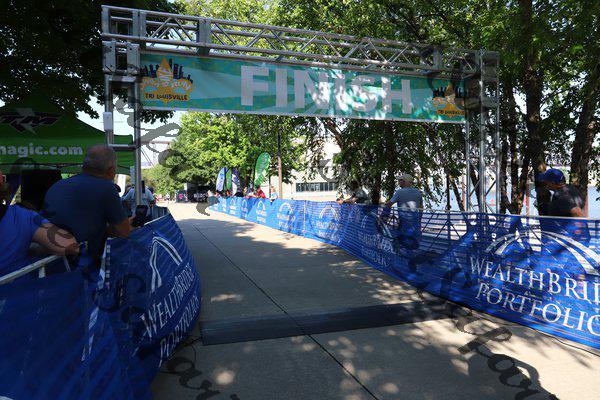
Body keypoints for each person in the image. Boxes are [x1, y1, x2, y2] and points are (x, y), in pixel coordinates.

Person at [42, 145, 134, 265]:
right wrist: (122, 226)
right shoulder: (106, 188)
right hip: (78, 265)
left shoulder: (58, 185)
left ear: (84, 166)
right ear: (111, 170)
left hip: (42, 264)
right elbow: (123, 231)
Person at [0, 169, 79, 276]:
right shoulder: (21, 216)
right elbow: (70, 245)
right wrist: (34, 249)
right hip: (14, 285)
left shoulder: (22, 216)